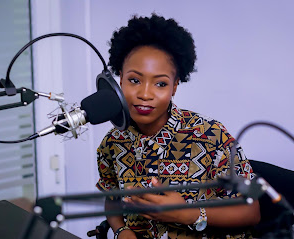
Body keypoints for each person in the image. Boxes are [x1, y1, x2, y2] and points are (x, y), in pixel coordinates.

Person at [96, 14, 260, 239]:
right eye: (134, 80)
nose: (145, 94)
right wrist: (121, 230)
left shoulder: (211, 135)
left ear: (174, 87)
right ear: (120, 79)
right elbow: (112, 199)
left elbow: (252, 211)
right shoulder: (112, 142)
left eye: (160, 83)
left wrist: (189, 214)